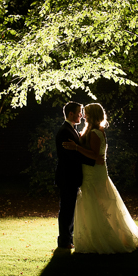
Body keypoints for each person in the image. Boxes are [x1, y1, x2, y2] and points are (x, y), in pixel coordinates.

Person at [63, 103, 138, 254]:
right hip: (90, 171)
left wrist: (77, 147)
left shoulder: (95, 132)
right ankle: (92, 237)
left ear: (92, 115)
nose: (83, 115)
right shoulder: (90, 130)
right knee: (93, 204)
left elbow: (95, 156)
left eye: (85, 113)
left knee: (98, 204)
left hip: (94, 173)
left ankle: (102, 239)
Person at [54, 102, 96, 250]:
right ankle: (64, 241)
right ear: (71, 114)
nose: (81, 115)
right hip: (67, 176)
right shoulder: (65, 131)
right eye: (79, 112)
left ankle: (67, 239)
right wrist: (93, 161)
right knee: (66, 209)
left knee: (69, 209)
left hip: (70, 176)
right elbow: (72, 156)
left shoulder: (71, 130)